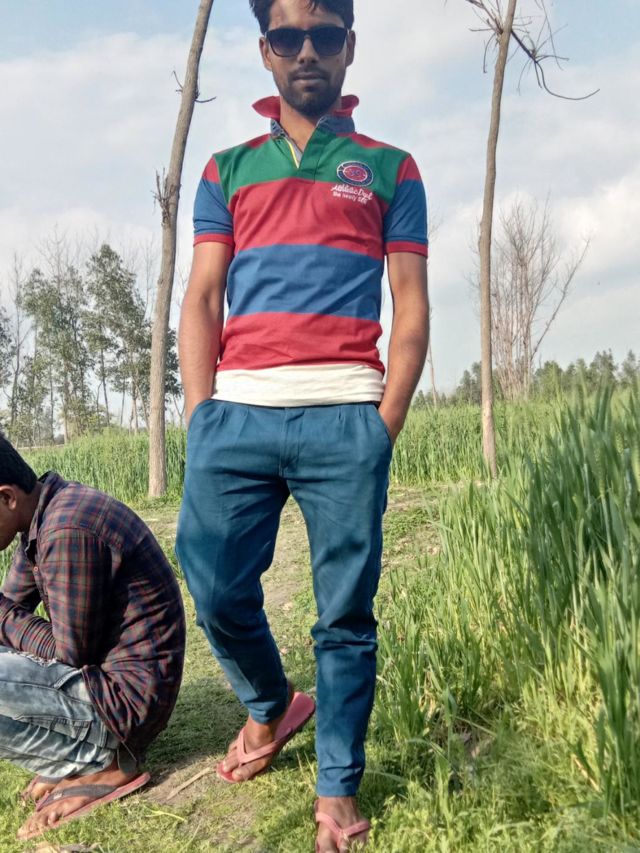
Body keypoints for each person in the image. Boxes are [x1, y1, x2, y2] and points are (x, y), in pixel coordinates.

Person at [175, 0, 429, 848]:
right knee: (213, 583)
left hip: (345, 412)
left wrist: (383, 422)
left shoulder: (391, 169)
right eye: (289, 37)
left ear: (349, 46)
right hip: (238, 412)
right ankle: (271, 703)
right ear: (266, 50)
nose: (307, 51)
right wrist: (201, 415)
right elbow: (203, 296)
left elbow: (411, 305)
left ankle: (337, 785)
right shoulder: (227, 169)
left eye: (324, 35)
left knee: (345, 613)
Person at [0, 436, 186, 841]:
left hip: (126, 706)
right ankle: (71, 757)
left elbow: (67, 655)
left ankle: (100, 762)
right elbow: (9, 610)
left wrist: (4, 616)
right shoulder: (41, 519)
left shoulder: (67, 527)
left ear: (7, 497)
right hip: (110, 688)